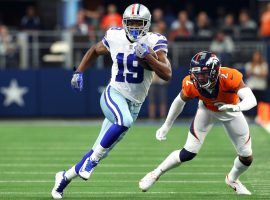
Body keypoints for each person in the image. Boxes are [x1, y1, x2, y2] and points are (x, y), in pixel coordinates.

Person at [51, 3, 172, 199]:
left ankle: (63, 178)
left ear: (147, 24)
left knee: (101, 147)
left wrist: (149, 57)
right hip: (114, 94)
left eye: (138, 23)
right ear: (124, 23)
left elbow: (167, 74)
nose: (133, 27)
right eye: (130, 23)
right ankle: (92, 162)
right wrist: (79, 72)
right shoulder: (115, 36)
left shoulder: (155, 40)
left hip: (135, 104)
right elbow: (95, 50)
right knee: (123, 122)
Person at [139, 51, 257, 195]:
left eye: (204, 73)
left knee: (246, 157)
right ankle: (155, 173)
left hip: (231, 112)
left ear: (215, 72)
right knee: (188, 152)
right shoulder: (191, 83)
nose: (199, 77)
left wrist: (236, 107)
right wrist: (166, 125)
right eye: (197, 73)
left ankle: (232, 179)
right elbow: (179, 102)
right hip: (206, 110)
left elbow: (251, 100)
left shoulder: (229, 76)